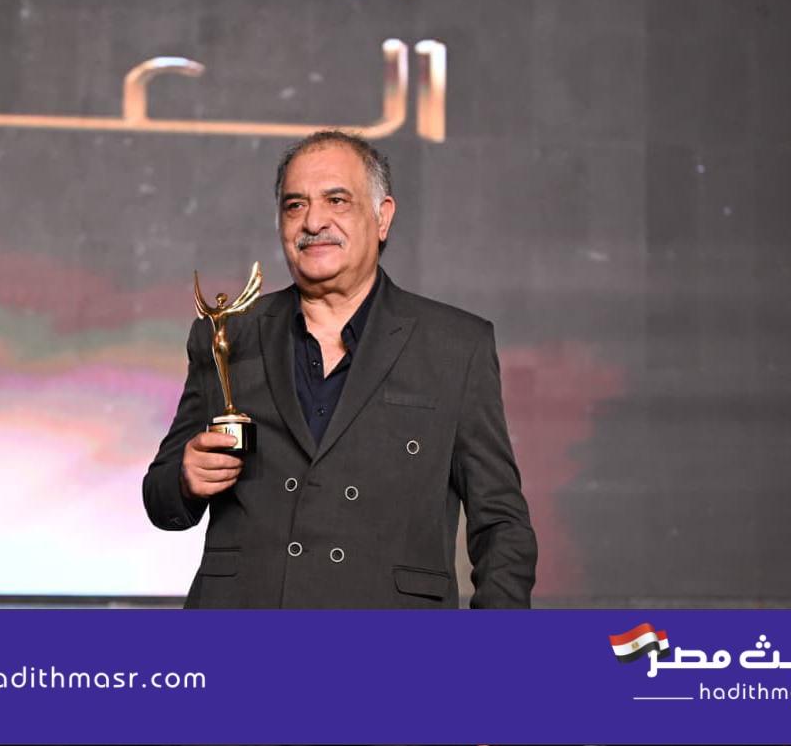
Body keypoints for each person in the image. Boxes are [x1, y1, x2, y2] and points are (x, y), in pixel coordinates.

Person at [142, 130, 537, 608]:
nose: (313, 221)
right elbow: (160, 499)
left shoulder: (455, 346)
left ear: (382, 216)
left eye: (337, 200)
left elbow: (501, 524)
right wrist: (185, 478)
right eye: (295, 205)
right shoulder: (226, 335)